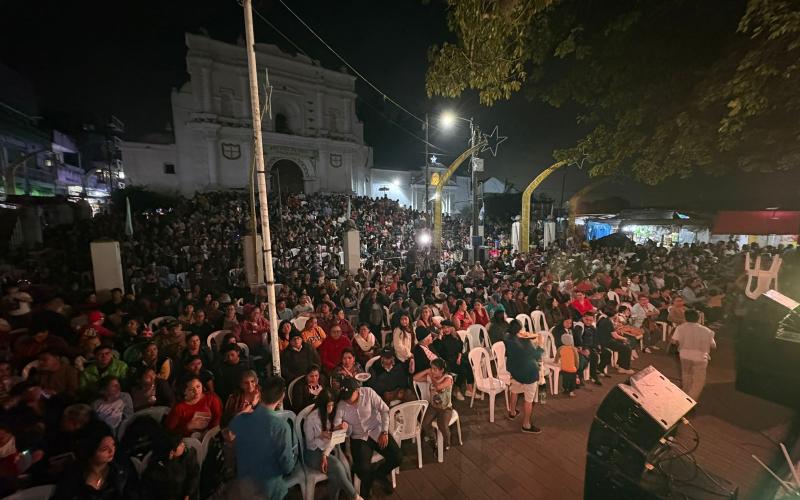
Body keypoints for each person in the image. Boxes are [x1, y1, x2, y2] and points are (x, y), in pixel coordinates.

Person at [228, 376, 295, 500]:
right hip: (269, 488)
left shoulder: (245, 418)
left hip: (245, 484)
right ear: (281, 397)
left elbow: (230, 433)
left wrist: (252, 405)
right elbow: (287, 466)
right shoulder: (280, 426)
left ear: (260, 393)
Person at [334, 378, 401, 498]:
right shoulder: (341, 404)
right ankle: (367, 488)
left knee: (397, 457)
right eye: (345, 397)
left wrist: (385, 432)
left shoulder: (368, 392)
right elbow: (337, 427)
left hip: (377, 430)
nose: (347, 400)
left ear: (357, 390)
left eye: (350, 396)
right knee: (363, 468)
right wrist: (342, 428)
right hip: (358, 437)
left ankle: (379, 474)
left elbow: (384, 410)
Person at [302, 388, 360, 500]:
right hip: (312, 452)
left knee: (339, 469)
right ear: (322, 405)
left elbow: (340, 437)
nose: (331, 409)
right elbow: (310, 444)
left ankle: (336, 497)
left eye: (332, 405)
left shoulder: (333, 414)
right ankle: (355, 496)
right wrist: (321, 436)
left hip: (329, 448)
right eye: (328, 406)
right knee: (337, 466)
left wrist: (343, 428)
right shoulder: (311, 419)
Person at [52, 427, 138, 500]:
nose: (112, 451)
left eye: (113, 445)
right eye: (104, 449)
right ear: (90, 452)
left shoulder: (122, 469)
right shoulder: (72, 474)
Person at [504, 320, 543, 433]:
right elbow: (536, 355)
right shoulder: (525, 343)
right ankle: (526, 424)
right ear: (519, 330)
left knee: (515, 391)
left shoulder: (507, 338)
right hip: (529, 373)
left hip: (515, 371)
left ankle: (512, 412)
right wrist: (540, 344)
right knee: (528, 400)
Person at [671, 309, 716, 401]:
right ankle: (690, 400)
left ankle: (684, 396)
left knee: (686, 376)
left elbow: (673, 341)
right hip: (700, 358)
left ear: (685, 318)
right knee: (698, 381)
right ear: (698, 318)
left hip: (684, 355)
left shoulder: (680, 328)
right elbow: (713, 345)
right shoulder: (707, 331)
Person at [140, 433, 200, 500]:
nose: (183, 445)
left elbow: (194, 475)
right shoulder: (156, 470)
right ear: (171, 452)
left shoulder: (187, 455)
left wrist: (188, 494)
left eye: (182, 442)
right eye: (179, 445)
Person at [421, 358, 454, 451]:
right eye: (432, 368)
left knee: (442, 425)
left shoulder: (448, 378)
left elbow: (439, 387)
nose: (432, 371)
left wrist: (431, 377)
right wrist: (427, 371)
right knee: (425, 424)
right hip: (433, 407)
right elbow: (416, 378)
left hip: (445, 408)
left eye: (435, 369)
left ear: (442, 370)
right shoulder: (432, 376)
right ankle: (433, 437)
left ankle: (447, 443)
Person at [597, 306, 635, 375]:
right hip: (606, 341)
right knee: (626, 348)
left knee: (623, 345)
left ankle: (619, 364)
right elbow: (615, 336)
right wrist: (625, 339)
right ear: (614, 314)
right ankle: (624, 368)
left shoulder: (602, 318)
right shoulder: (608, 321)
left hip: (602, 339)